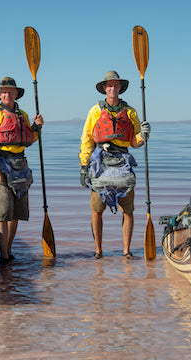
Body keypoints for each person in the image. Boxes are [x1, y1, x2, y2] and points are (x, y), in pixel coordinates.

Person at [79, 71, 150, 259]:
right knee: (96, 209)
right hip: (100, 162)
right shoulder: (95, 111)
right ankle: (98, 250)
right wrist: (84, 165)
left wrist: (143, 135)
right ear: (104, 89)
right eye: (109, 85)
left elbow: (134, 142)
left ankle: (126, 250)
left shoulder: (130, 111)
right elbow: (87, 139)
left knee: (128, 210)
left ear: (120, 88)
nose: (112, 88)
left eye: (115, 85)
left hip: (122, 162)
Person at [0, 77, 44, 266]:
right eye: (4, 92)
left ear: (16, 94)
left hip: (20, 167)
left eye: (11, 92)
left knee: (16, 214)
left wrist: (36, 128)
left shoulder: (22, 114)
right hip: (1, 166)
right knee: (3, 212)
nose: (7, 94)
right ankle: (3, 257)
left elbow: (27, 141)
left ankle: (9, 249)